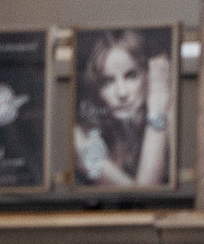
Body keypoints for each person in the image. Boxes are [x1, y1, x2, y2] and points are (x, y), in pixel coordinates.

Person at [73, 30, 172, 189]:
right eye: (107, 81)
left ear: (148, 75)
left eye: (131, 76)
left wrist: (158, 105)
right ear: (95, 88)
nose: (122, 93)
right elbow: (143, 193)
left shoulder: (169, 118)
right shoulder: (81, 136)